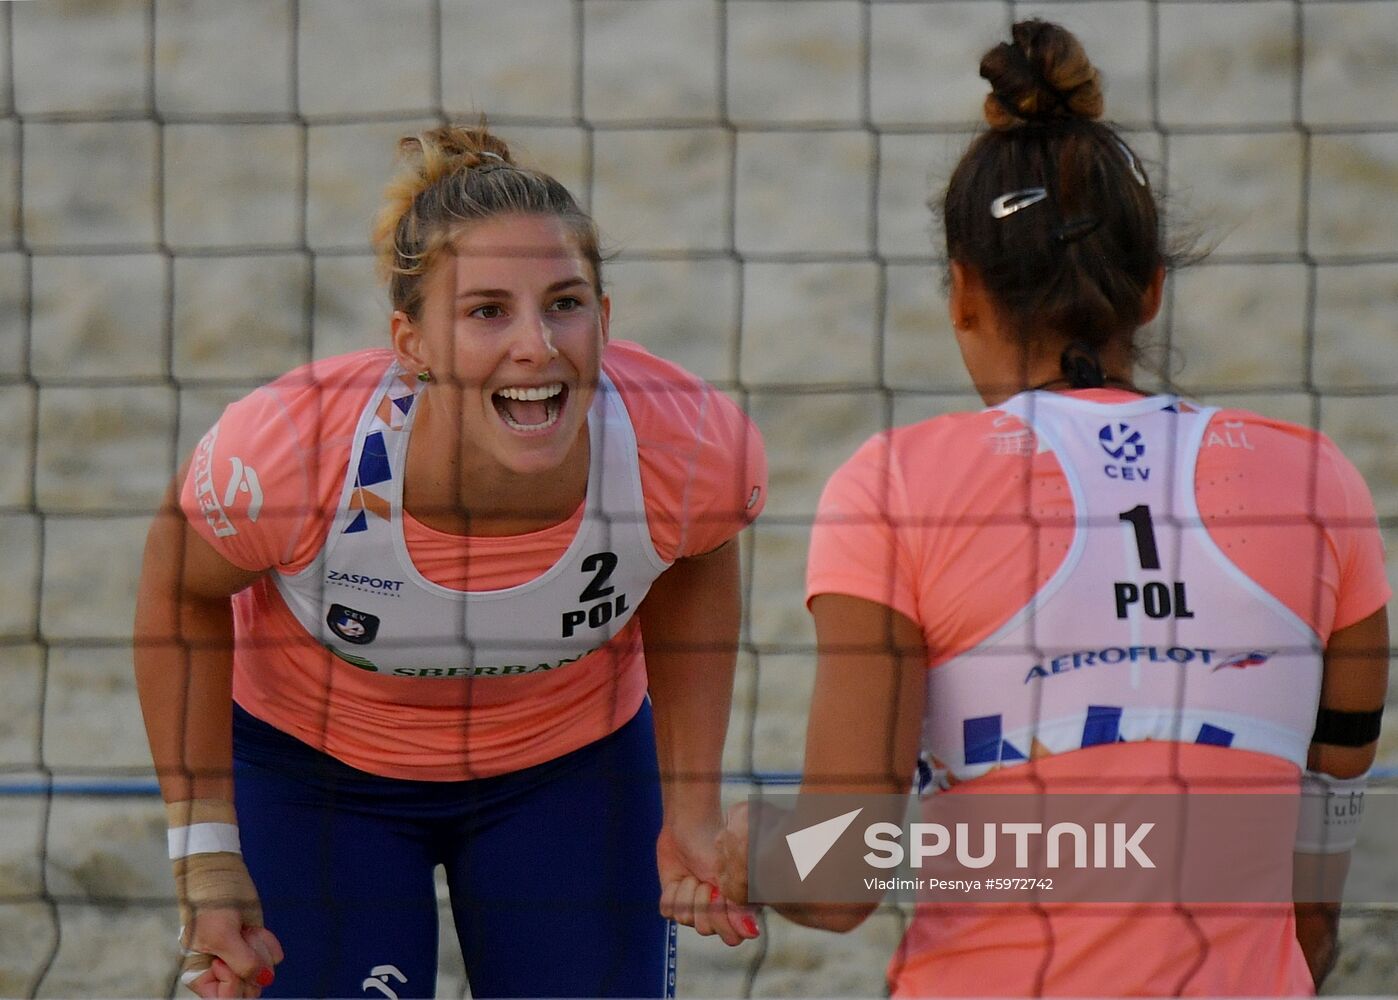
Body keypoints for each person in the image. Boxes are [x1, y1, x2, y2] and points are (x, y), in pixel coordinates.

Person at [717, 19, 1389, 998]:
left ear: (962, 293)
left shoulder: (894, 486)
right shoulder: (1320, 482)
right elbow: (1318, 885)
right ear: (1152, 290)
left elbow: (842, 876)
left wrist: (741, 845)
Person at [134, 123, 763, 1000]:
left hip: (568, 768)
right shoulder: (294, 449)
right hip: (314, 777)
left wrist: (691, 807)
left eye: (567, 303)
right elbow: (177, 590)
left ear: (606, 319)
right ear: (411, 343)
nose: (538, 345)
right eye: (486, 310)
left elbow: (697, 554)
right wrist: (204, 858)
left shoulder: (686, 444)